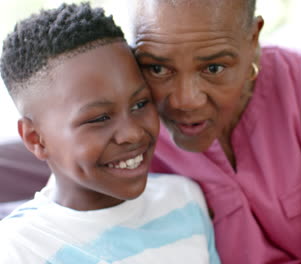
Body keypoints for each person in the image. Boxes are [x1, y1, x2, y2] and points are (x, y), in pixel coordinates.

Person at [130, 0, 301, 263]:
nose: (185, 100)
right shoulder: (126, 130)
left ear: (252, 38)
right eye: (157, 69)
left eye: (214, 68)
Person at [0, 3, 219, 263]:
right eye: (100, 118)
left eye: (140, 104)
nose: (133, 134)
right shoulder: (20, 247)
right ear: (35, 139)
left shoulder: (185, 200)